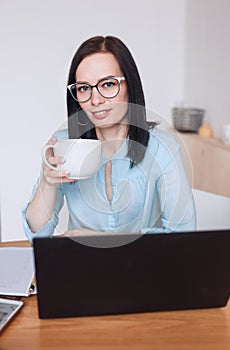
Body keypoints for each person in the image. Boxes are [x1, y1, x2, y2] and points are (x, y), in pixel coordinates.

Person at [22, 35, 196, 242]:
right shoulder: (65, 144)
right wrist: (47, 184)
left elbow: (182, 238)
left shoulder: (163, 148)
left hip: (144, 268)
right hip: (80, 265)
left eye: (108, 85)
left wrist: (101, 240)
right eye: (84, 88)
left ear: (129, 86)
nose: (95, 100)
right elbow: (38, 233)